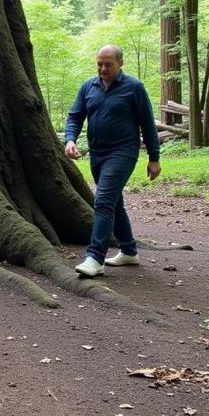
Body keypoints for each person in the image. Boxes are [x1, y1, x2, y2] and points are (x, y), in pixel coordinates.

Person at [64, 44, 161, 278]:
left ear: (121, 63)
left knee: (104, 200)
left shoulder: (134, 88)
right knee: (114, 203)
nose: (103, 68)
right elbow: (75, 116)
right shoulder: (89, 86)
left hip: (123, 153)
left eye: (108, 64)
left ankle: (95, 258)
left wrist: (154, 158)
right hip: (98, 154)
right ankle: (128, 251)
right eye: (99, 63)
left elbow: (148, 124)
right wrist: (69, 140)